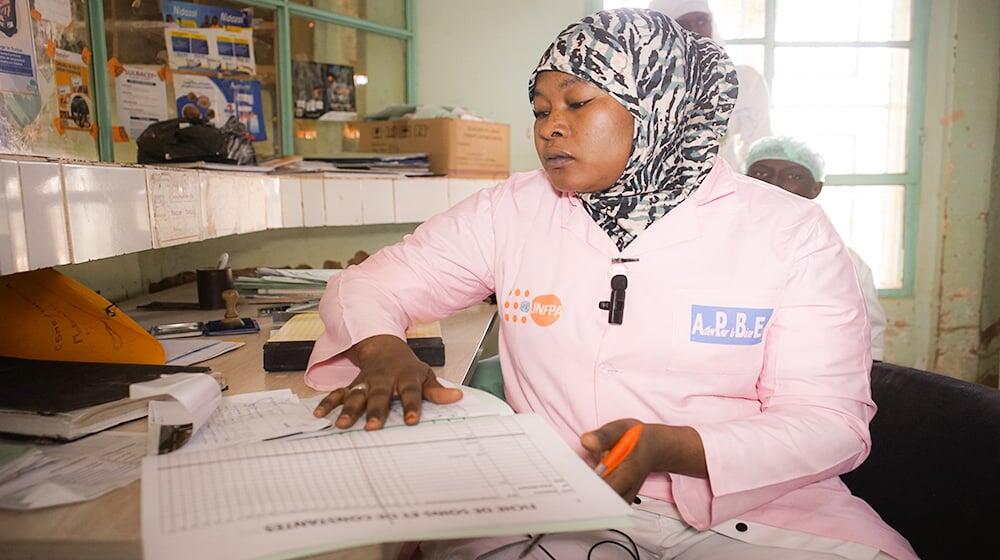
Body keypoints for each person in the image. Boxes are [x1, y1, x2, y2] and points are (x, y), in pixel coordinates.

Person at [306, 9, 915, 560]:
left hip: (757, 515)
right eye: (541, 110)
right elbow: (363, 287)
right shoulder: (512, 210)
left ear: (660, 105)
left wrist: (673, 447)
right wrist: (384, 350)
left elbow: (829, 421)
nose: (549, 128)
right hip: (552, 506)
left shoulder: (789, 231)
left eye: (577, 103)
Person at [746, 136, 888, 361]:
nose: (773, 183)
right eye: (761, 173)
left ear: (815, 189)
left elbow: (869, 341)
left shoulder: (844, 262)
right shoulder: (716, 248)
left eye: (793, 176)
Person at [650, 0, 772, 172]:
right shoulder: (648, 87)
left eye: (701, 21)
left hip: (729, 189)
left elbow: (761, 148)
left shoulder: (746, 81)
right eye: (682, 24)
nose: (696, 32)